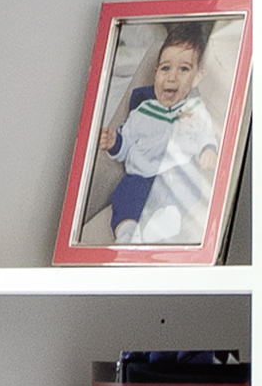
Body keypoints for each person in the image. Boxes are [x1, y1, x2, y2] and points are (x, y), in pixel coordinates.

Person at [91, 20, 229, 246]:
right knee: (125, 193)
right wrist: (114, 142)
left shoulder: (195, 110)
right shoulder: (143, 109)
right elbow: (126, 146)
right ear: (155, 74)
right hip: (140, 174)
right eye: (165, 68)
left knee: (188, 186)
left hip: (174, 173)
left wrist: (208, 150)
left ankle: (165, 223)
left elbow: (207, 135)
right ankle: (127, 234)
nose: (172, 77)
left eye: (184, 69)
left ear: (197, 77)